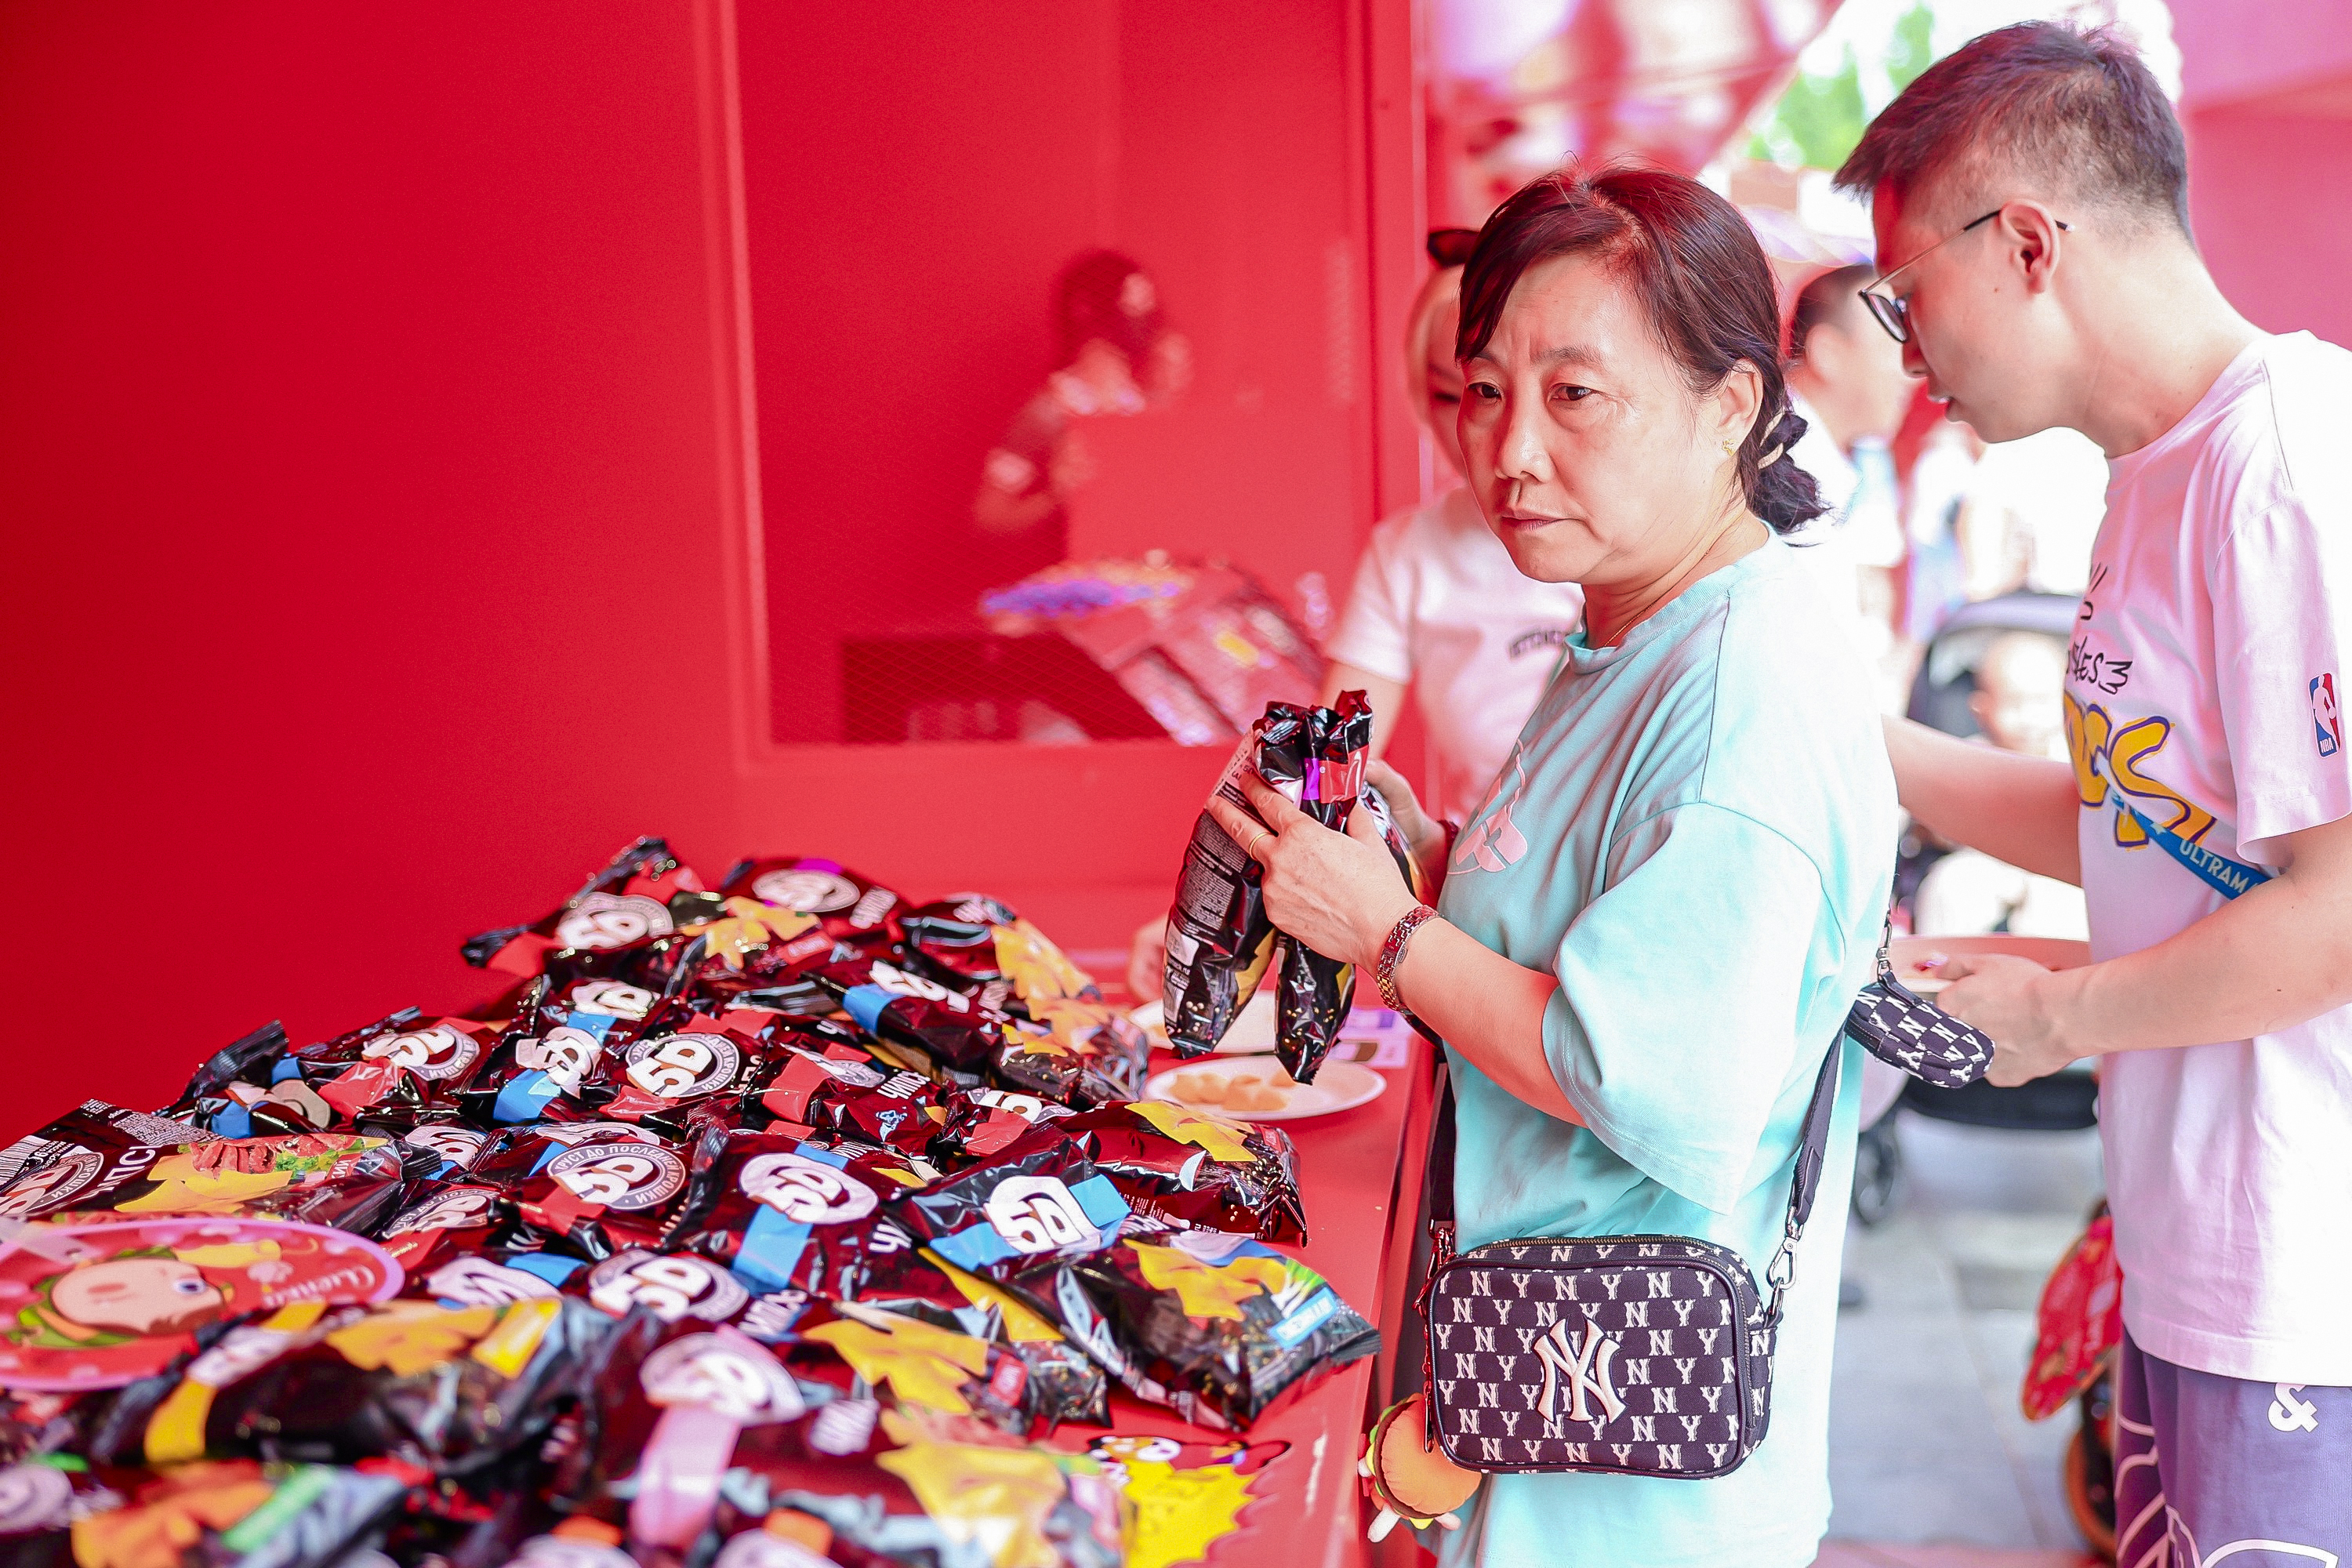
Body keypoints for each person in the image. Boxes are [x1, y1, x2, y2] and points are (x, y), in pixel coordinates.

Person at [1210, 164, 1895, 1566]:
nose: (1510, 448)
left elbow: (1653, 1075)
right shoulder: (1632, 627)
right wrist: (1426, 858)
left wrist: (1389, 934)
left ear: (1733, 405)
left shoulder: (1736, 699)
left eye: (1576, 393)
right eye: (1484, 391)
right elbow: (1597, 914)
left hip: (1626, 1490)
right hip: (1541, 1401)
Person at [1838, 22, 2352, 1553]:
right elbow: (2142, 826)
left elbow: (2342, 911)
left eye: (1907, 293)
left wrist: (2058, 1020)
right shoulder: (2155, 473)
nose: (1907, 351)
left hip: (2305, 1289)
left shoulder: (2287, 468)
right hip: (2200, 1248)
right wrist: (1854, 742)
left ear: (2027, 245)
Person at [1125, 234, 1584, 998]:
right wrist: (1206, 923)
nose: (1494, 436)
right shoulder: (1412, 555)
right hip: (1480, 917)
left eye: (1517, 391)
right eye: (1462, 393)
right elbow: (1325, 763)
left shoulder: (1620, 538)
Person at [971, 251, 1192, 582]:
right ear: (1089, 312)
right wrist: (1055, 498)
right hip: (1072, 587)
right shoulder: (1050, 411)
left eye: (1147, 302)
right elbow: (987, 517)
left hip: (1139, 583)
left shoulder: (1139, 405)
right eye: (1130, 303)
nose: (1146, 318)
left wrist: (1168, 398)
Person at [1782, 264, 1916, 707]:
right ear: (1828, 354)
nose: (1912, 371)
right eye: (1893, 345)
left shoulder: (1835, 458)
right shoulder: (1777, 463)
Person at [1911, 630, 2087, 939]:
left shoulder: (2073, 759)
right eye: (2015, 705)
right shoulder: (1970, 758)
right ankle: (1939, 961)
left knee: (2063, 902)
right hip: (1985, 863)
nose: (2031, 718)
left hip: (2055, 867)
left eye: (2043, 702)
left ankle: (2056, 965)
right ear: (1981, 709)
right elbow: (1937, 827)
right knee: (1949, 885)